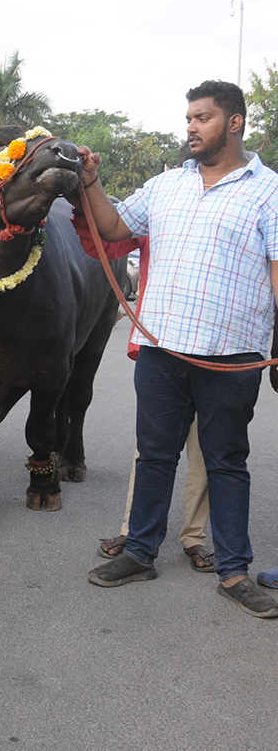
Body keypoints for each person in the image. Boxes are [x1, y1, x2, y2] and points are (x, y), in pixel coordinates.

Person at [80, 80, 278, 618]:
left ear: (234, 122)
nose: (190, 126)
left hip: (232, 356)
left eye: (203, 117)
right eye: (188, 117)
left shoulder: (269, 191)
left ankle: (235, 571)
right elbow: (113, 225)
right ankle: (141, 552)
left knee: (227, 462)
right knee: (156, 456)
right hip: (163, 351)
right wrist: (92, 182)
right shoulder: (165, 184)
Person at [70, 212, 214, 573]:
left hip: (220, 345)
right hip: (163, 345)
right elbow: (104, 243)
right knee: (151, 451)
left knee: (209, 449)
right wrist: (83, 199)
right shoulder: (161, 209)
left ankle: (194, 535)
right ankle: (135, 532)